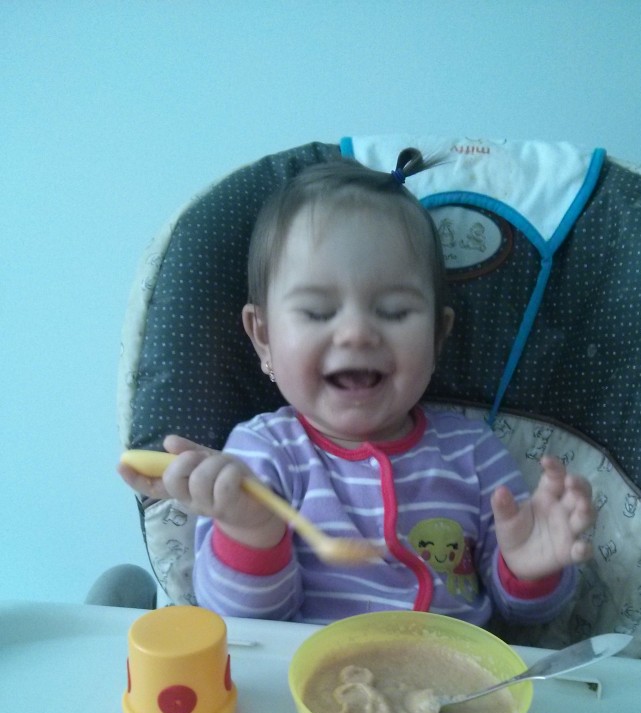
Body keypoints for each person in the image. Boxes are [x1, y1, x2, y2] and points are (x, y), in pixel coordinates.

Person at [119, 149, 595, 626]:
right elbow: (244, 623)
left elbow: (525, 616)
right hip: (308, 670)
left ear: (437, 336)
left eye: (393, 311)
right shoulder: (259, 459)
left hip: (456, 670)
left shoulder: (475, 454)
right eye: (317, 312)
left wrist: (530, 568)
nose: (356, 334)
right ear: (263, 337)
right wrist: (251, 530)